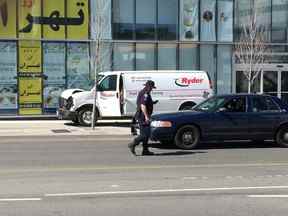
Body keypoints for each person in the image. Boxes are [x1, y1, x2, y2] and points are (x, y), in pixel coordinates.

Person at [128, 80, 158, 156]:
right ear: (148, 87)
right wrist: (147, 117)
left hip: (141, 115)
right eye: (151, 87)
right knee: (145, 134)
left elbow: (144, 103)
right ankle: (133, 143)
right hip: (142, 116)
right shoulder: (145, 94)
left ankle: (145, 150)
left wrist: (152, 102)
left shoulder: (144, 92)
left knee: (146, 134)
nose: (152, 89)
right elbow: (143, 106)